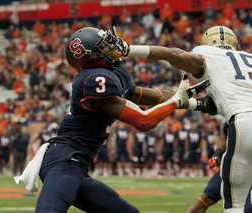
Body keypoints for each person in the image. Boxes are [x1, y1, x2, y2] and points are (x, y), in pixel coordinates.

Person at [17, 27, 210, 213]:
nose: (112, 49)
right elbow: (144, 122)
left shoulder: (114, 74)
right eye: (104, 47)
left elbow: (145, 95)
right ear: (91, 59)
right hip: (64, 161)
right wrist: (177, 100)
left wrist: (197, 104)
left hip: (77, 165)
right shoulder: (92, 80)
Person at [121, 25, 252, 212]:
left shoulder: (208, 56)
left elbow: (172, 54)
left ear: (207, 43)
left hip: (245, 123)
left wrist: (128, 49)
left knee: (234, 205)